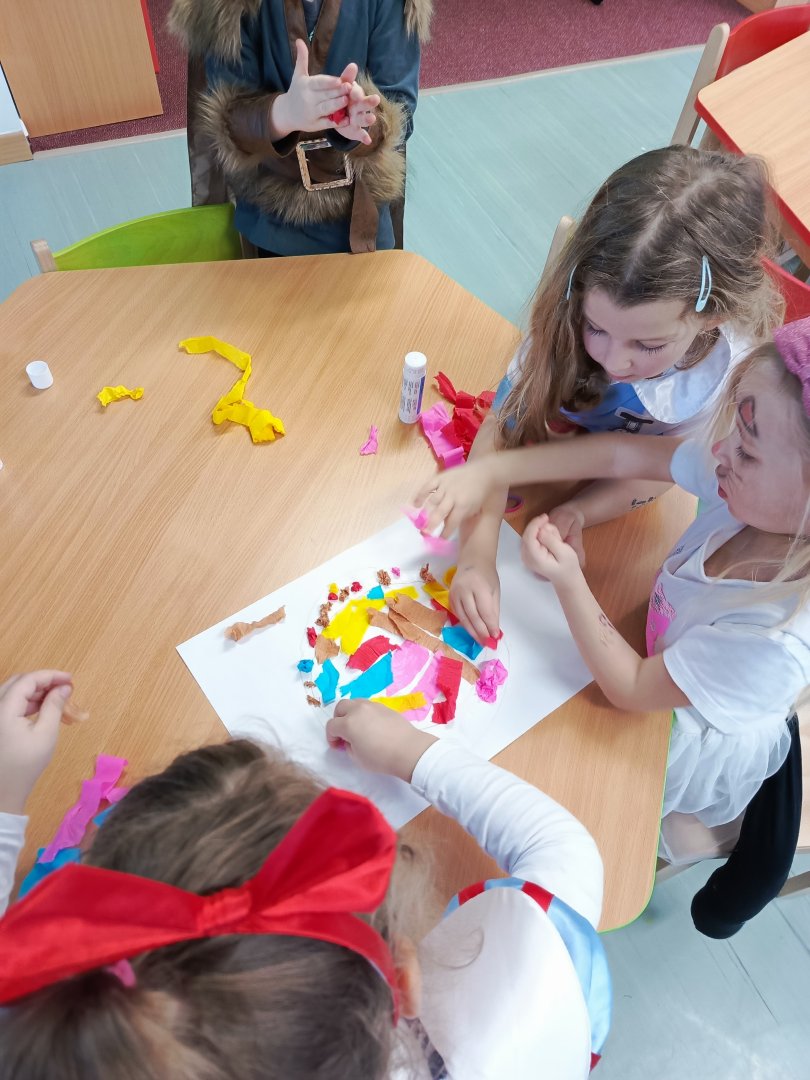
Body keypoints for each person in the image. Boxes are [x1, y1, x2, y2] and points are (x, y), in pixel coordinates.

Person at [0, 687, 609, 1078]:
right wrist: (413, 751)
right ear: (402, 980)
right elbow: (563, 852)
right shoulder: (514, 1027)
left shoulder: (34, 1045)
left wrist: (6, 804)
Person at [415, 317, 810, 866]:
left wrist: (568, 580)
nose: (719, 450)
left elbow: (631, 686)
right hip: (663, 648)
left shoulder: (776, 640)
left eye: (747, 450)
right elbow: (623, 456)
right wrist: (499, 472)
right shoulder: (745, 484)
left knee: (602, 813)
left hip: (666, 724)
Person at [447, 145, 781, 645]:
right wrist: (476, 554)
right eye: (596, 328)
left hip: (627, 519)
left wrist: (583, 510)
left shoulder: (725, 382)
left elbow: (664, 470)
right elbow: (503, 424)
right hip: (546, 464)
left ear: (713, 316)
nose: (614, 361)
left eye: (648, 345)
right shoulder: (566, 313)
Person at [169, 0, 433, 255]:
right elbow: (228, 119)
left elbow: (399, 106)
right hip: (273, 219)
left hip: (361, 218)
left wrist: (363, 121)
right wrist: (284, 113)